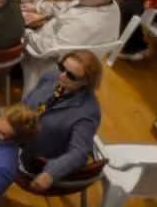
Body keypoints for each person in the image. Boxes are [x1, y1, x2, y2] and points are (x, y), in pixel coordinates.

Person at [21, 49, 104, 191]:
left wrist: (50, 173)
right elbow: (27, 102)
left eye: (71, 75)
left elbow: (79, 153)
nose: (62, 75)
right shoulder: (51, 76)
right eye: (61, 67)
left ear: (87, 81)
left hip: (34, 160)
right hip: (18, 135)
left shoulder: (88, 112)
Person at [23, 0, 121, 62]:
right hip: (54, 37)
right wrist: (39, 6)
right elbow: (67, 7)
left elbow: (47, 49)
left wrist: (25, 31)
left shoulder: (85, 24)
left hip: (46, 55)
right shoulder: (109, 4)